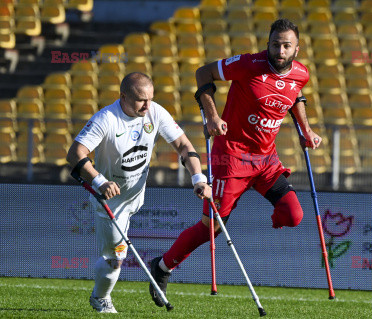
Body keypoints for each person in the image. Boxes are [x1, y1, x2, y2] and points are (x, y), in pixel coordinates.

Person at [148, 18, 322, 307]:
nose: (280, 50)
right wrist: (212, 115)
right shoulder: (249, 64)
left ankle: (270, 218)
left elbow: (295, 97)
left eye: (286, 46)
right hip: (231, 158)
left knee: (293, 215)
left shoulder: (301, 74)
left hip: (267, 161)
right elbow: (203, 72)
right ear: (268, 44)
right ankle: (162, 267)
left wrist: (307, 129)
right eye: (275, 44)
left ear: (296, 49)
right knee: (210, 228)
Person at [66, 72, 211, 313]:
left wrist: (198, 178)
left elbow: (184, 145)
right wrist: (100, 181)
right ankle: (100, 298)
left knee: (117, 256)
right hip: (110, 202)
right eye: (140, 100)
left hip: (136, 195)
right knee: (115, 259)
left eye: (150, 99)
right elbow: (75, 153)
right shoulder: (107, 119)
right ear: (123, 96)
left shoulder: (155, 111)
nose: (147, 105)